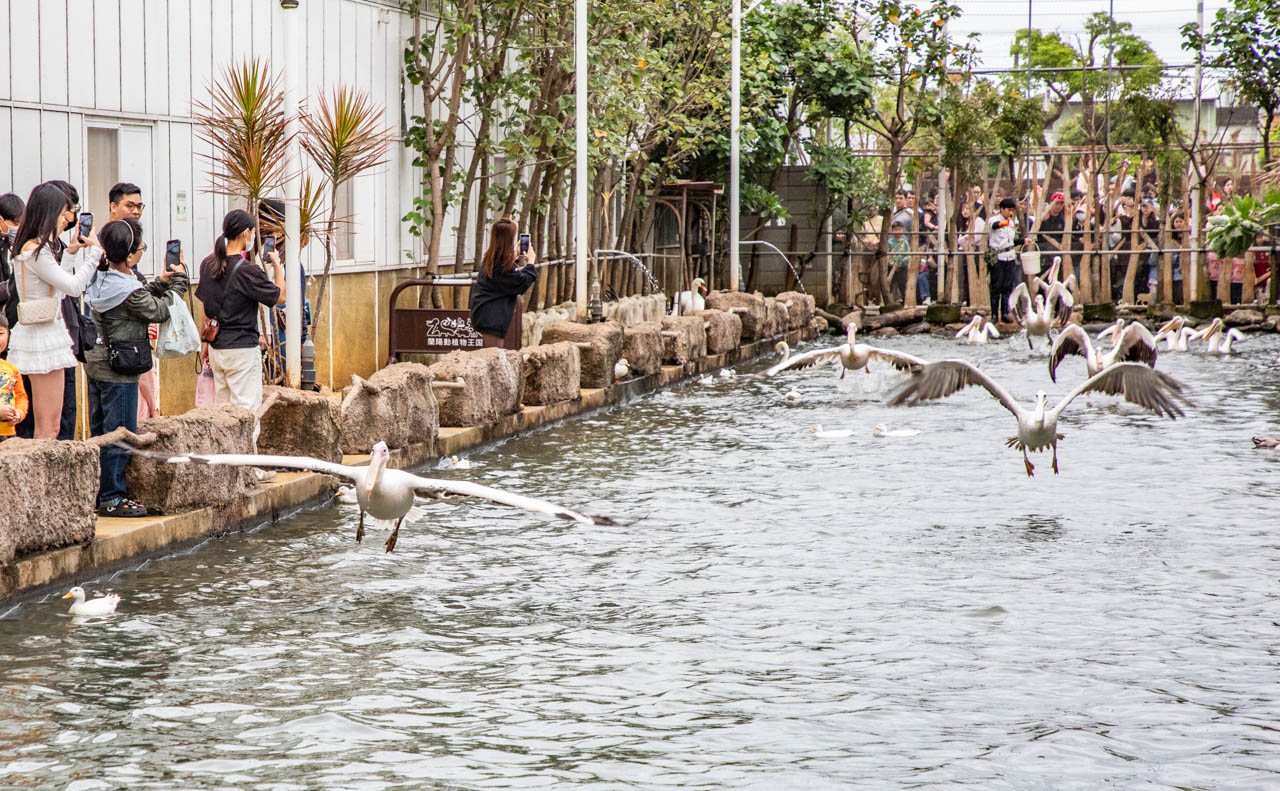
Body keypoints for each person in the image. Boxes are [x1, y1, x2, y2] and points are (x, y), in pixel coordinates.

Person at [84, 218, 186, 517]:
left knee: (100, 431)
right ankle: (113, 497)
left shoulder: (97, 279)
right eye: (140, 248)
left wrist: (159, 283)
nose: (141, 253)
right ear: (128, 255)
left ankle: (99, 492)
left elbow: (138, 294)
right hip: (120, 369)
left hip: (97, 364)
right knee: (121, 432)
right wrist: (178, 282)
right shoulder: (127, 289)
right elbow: (159, 310)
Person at [7, 183, 99, 439]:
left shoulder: (31, 248)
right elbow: (72, 287)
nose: (66, 220)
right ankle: (41, 479)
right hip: (44, 336)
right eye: (62, 214)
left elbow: (56, 286)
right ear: (49, 212)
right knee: (48, 428)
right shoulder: (36, 250)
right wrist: (95, 254)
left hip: (41, 332)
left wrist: (69, 253)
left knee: (49, 426)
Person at [196, 210, 285, 448]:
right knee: (246, 413)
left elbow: (206, 306)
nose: (254, 236)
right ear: (246, 233)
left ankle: (227, 466)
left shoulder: (207, 265)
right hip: (242, 351)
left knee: (223, 413)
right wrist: (277, 265)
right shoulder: (249, 270)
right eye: (253, 232)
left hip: (217, 349)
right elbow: (281, 297)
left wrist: (205, 344)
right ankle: (250, 470)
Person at [469, 217, 537, 346]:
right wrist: (531, 263)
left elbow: (508, 276)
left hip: (486, 314)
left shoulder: (491, 258)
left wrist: (515, 256)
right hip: (491, 318)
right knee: (494, 357)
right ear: (508, 240)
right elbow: (520, 283)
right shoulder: (499, 265)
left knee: (493, 356)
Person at [987, 197, 1023, 322]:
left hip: (1010, 256)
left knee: (1007, 286)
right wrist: (1004, 223)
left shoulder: (1011, 223)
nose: (1010, 213)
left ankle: (1004, 313)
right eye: (1008, 210)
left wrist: (1023, 241)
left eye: (1012, 210)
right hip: (998, 257)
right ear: (1002, 209)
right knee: (996, 286)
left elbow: (1011, 241)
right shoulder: (994, 220)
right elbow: (995, 226)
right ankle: (994, 315)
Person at [0, 317, 28, 439]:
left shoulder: (12, 368)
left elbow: (21, 396)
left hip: (9, 433)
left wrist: (19, 413)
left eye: (0, 333)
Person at [0, 192, 24, 331]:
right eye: (15, 224)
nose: (18, 228)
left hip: (15, 318)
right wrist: (11, 287)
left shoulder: (17, 244)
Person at [887, 221, 910, 303]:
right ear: (892, 230)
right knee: (888, 286)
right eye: (896, 229)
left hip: (902, 268)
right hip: (891, 268)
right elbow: (887, 256)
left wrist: (900, 263)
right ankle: (887, 303)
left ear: (903, 230)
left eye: (900, 229)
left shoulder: (905, 242)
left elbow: (908, 256)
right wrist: (893, 264)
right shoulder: (889, 242)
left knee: (903, 286)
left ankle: (905, 304)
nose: (898, 231)